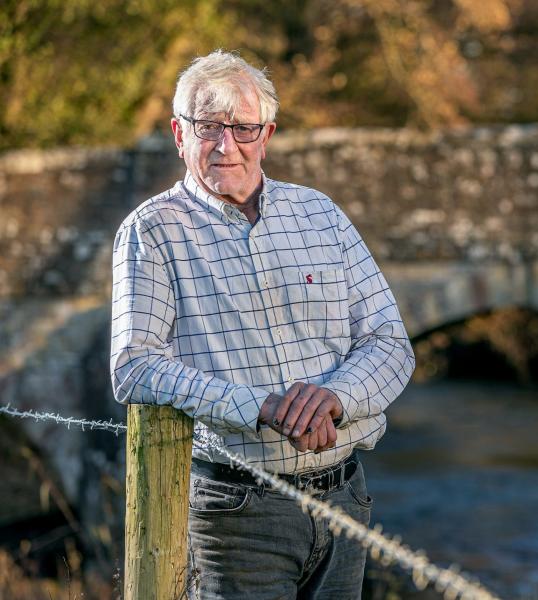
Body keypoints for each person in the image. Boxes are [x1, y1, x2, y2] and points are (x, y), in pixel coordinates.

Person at [110, 50, 415, 599]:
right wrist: (260, 408)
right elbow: (136, 367)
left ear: (267, 133)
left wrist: (334, 398)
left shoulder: (320, 213)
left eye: (244, 128)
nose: (227, 144)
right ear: (179, 133)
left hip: (345, 499)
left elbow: (389, 343)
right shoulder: (151, 230)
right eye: (208, 127)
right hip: (236, 513)